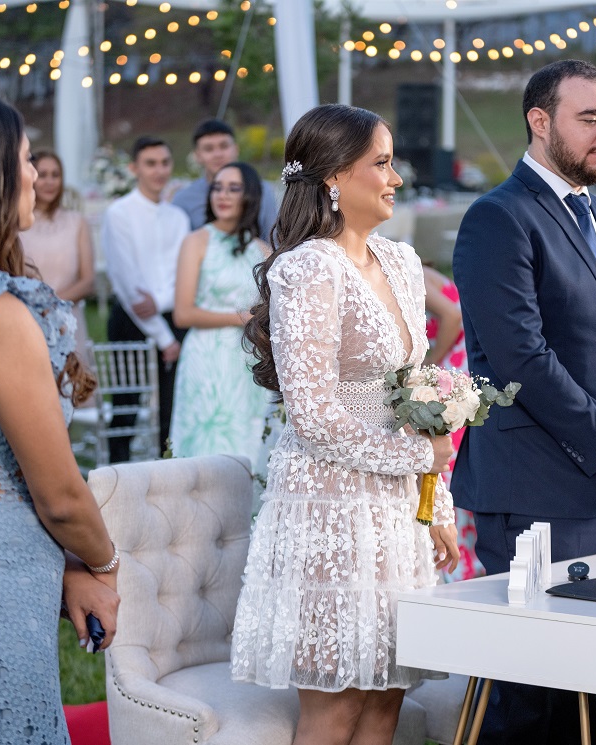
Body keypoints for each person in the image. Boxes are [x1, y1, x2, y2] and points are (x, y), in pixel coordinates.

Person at [451, 59, 596, 745]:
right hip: (534, 494)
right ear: (538, 121)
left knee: (593, 693)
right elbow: (521, 358)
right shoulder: (497, 218)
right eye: (589, 118)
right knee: (528, 698)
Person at [231, 104, 459, 745]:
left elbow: (416, 397)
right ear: (334, 176)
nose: (396, 178)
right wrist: (423, 462)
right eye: (381, 163)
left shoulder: (402, 262)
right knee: (336, 706)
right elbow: (313, 417)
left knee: (387, 698)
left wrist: (434, 502)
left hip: (396, 511)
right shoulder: (306, 268)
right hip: (328, 505)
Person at [0, 91, 120, 742]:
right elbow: (60, 494)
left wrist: (64, 567)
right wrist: (103, 563)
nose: (35, 175)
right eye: (27, 159)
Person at [169, 161, 274, 480]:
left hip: (246, 361)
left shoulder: (262, 250)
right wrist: (238, 317)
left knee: (247, 442)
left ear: (250, 196)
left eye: (233, 188)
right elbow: (183, 313)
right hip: (207, 357)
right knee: (204, 445)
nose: (223, 195)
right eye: (217, 187)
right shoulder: (197, 241)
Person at [100, 135, 190, 461]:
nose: (159, 171)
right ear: (134, 168)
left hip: (172, 314)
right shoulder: (119, 213)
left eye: (165, 163)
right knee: (127, 407)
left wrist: (165, 307)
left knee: (171, 408)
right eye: (150, 164)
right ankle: (117, 479)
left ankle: (167, 475)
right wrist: (164, 338)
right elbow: (128, 283)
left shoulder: (177, 218)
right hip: (131, 320)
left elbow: (181, 273)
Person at [423, 264, 484, 581]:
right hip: (462, 368)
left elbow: (451, 315)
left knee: (446, 471)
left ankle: (458, 566)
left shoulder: (414, 272)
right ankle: (466, 562)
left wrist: (429, 363)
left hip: (452, 371)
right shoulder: (430, 274)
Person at [19, 150, 95, 363]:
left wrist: (52, 304)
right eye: (43, 175)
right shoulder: (16, 226)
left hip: (68, 322)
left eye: (56, 175)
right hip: (28, 321)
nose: (50, 181)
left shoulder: (77, 222)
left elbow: (88, 281)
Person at [172, 119, 278, 241]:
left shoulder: (263, 190)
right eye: (209, 149)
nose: (218, 154)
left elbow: (273, 240)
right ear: (197, 156)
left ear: (236, 149)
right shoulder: (183, 199)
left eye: (224, 146)